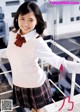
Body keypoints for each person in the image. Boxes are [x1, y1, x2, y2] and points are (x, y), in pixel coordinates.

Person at [0, 1, 80, 112]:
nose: (25, 24)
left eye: (31, 20)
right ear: (17, 18)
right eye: (22, 18)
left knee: (39, 111)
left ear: (37, 21)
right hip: (18, 83)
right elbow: (11, 52)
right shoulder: (14, 33)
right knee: (30, 109)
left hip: (34, 85)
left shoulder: (37, 42)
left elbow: (59, 62)